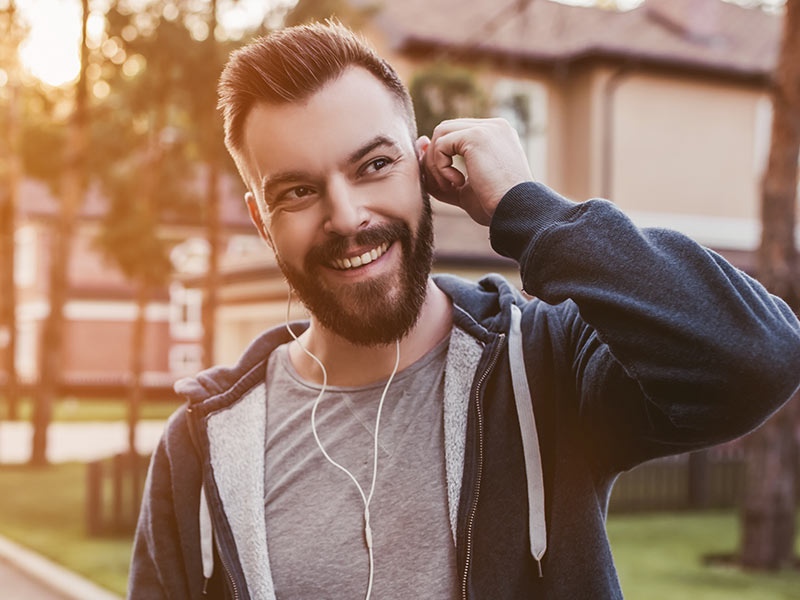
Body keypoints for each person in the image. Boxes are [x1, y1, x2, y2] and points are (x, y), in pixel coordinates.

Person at [128, 21, 800, 600]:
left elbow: (758, 358)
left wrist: (526, 207)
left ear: (423, 166)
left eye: (373, 165)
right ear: (261, 220)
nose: (347, 217)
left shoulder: (542, 366)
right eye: (298, 191)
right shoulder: (201, 448)